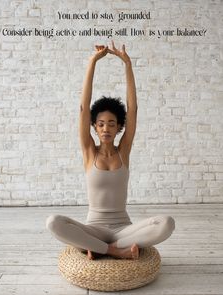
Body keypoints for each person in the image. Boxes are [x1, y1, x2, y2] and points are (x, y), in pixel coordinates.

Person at [46, 41, 175, 260]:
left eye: (112, 124)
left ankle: (103, 247)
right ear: (94, 127)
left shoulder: (123, 151)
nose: (106, 128)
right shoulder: (89, 152)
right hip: (93, 227)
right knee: (53, 222)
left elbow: (133, 109)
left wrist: (127, 64)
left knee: (166, 223)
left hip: (123, 229)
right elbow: (82, 109)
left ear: (119, 128)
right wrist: (92, 61)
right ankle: (114, 250)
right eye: (101, 123)